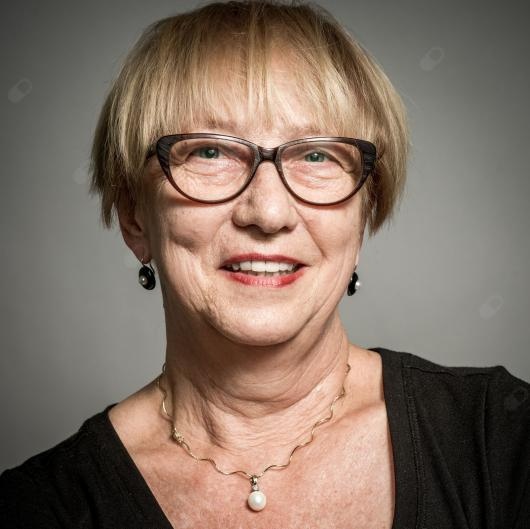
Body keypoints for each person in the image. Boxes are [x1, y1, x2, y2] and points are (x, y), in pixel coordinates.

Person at [1, 1, 529, 528]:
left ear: (365, 211)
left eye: (317, 155)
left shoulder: (501, 439)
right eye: (210, 152)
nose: (269, 213)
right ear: (134, 217)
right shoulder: (36, 508)